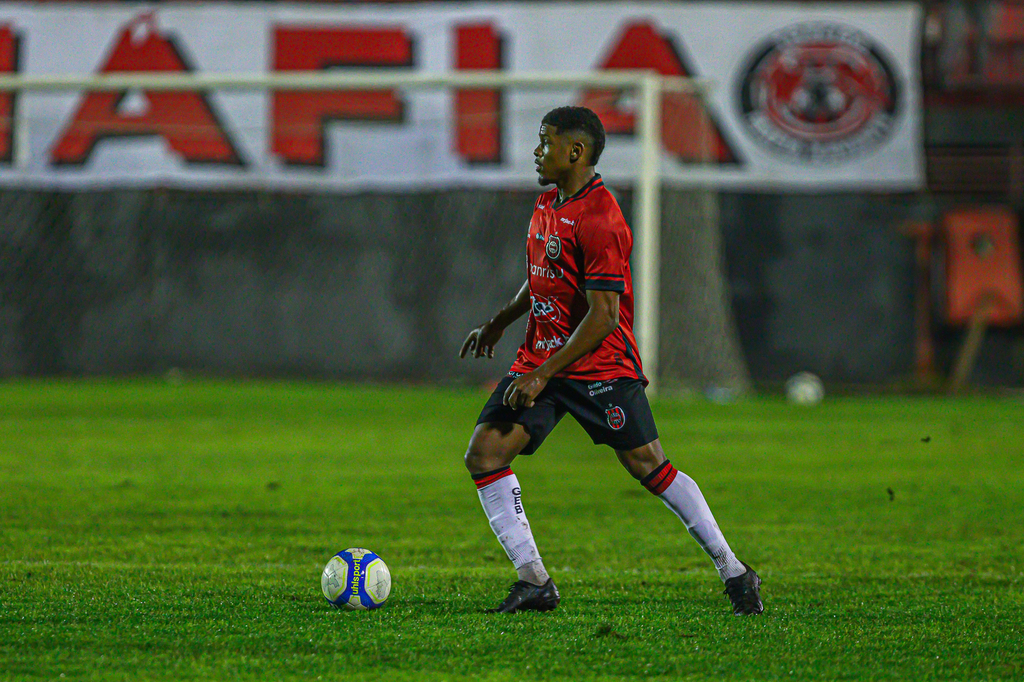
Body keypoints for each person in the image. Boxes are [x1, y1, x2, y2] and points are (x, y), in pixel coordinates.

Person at [459, 106, 763, 616]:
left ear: (575, 152)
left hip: (598, 366)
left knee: (649, 467)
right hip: (543, 360)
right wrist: (500, 321)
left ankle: (734, 570)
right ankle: (534, 581)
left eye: (545, 142)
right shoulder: (548, 203)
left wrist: (543, 374)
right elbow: (542, 276)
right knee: (486, 454)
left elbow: (603, 315)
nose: (537, 151)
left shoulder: (602, 218)